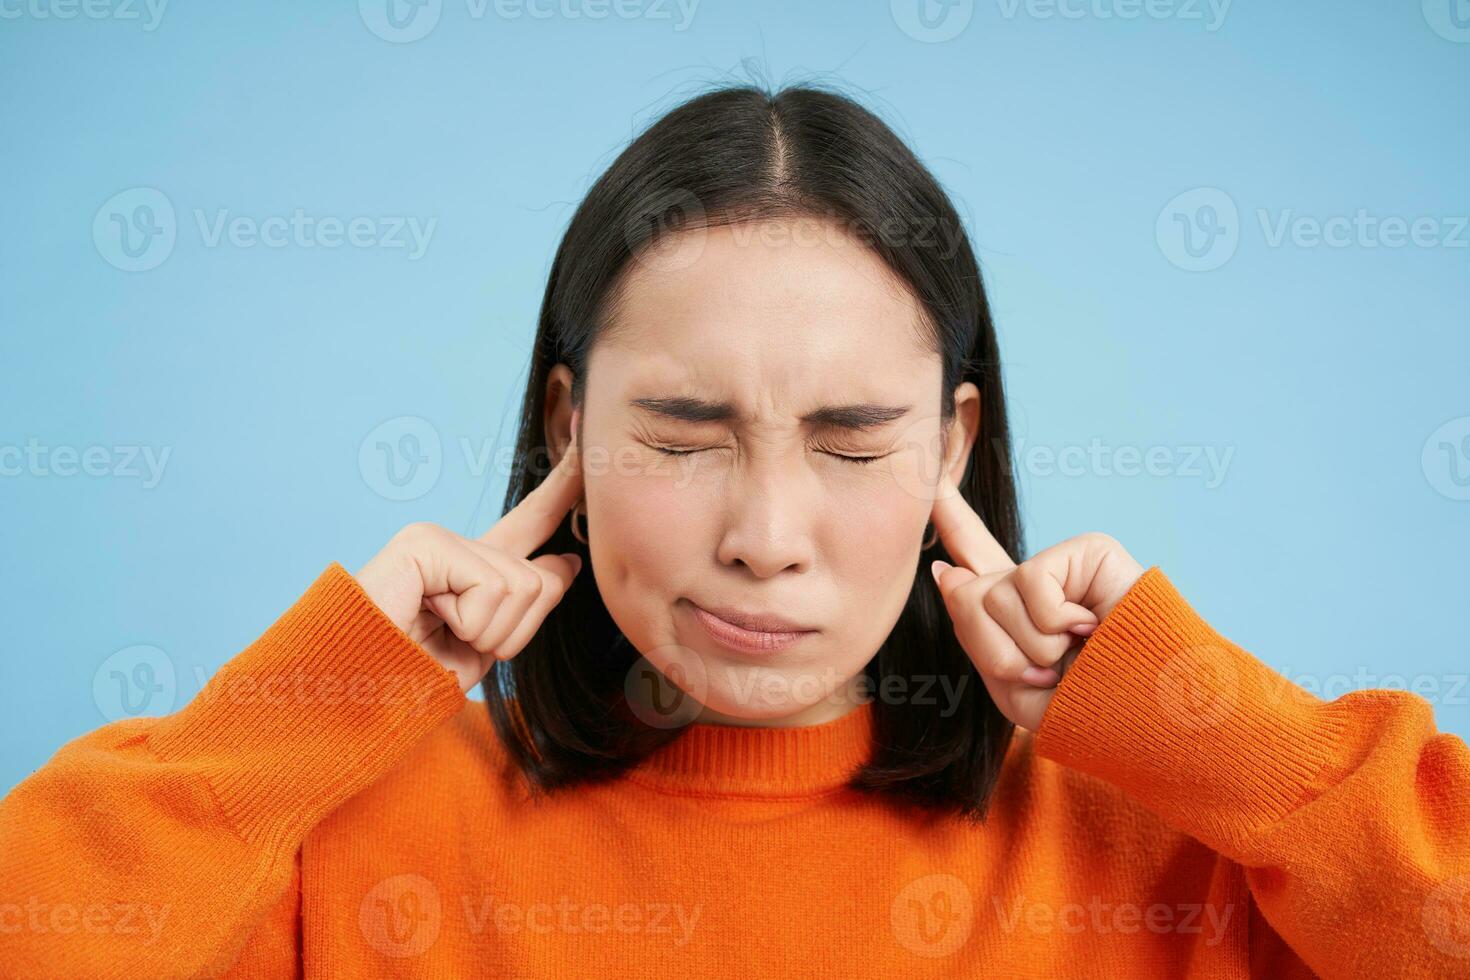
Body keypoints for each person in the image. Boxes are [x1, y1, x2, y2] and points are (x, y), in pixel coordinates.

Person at [2, 83, 1466, 979]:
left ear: (953, 441)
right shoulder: (345, 835)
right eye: (683, 435)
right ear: (568, 425)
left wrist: (1210, 729)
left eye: (852, 440)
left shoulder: (1185, 841)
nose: (766, 535)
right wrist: (304, 711)